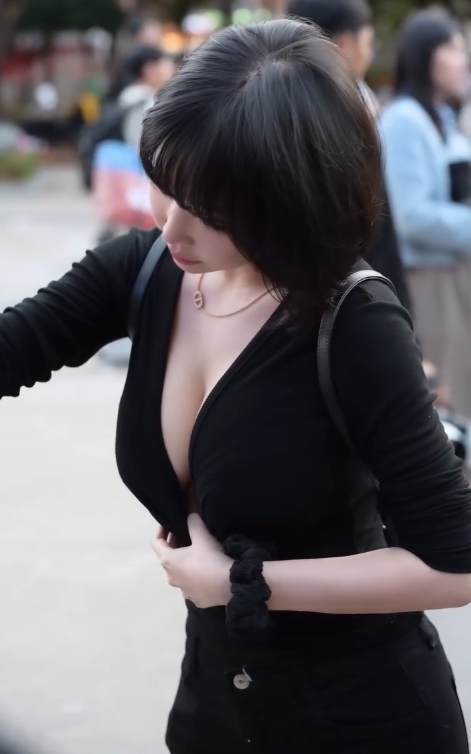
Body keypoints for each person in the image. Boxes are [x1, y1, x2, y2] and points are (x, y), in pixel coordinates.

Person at [3, 19, 471, 754]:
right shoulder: (146, 270)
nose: (174, 227)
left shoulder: (352, 321)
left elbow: (453, 564)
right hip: (213, 707)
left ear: (293, 199)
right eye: (166, 185)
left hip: (359, 716)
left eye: (213, 211)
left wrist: (244, 583)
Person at [286, 0, 412, 313]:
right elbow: (376, 233)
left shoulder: (283, 115)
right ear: (344, 44)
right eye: (368, 42)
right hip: (358, 303)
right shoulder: (343, 118)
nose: (370, 53)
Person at [381, 10, 471, 418]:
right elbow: (412, 217)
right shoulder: (405, 119)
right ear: (426, 57)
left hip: (449, 274)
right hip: (426, 282)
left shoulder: (439, 116)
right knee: (446, 405)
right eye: (454, 48)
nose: (463, 60)